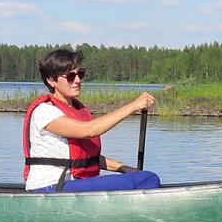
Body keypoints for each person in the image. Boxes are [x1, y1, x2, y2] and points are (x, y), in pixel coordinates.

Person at [22, 48, 159, 192]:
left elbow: (87, 158)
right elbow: (89, 131)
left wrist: (123, 168)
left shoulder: (77, 110)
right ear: (51, 80)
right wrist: (134, 106)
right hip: (49, 187)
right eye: (70, 76)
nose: (77, 80)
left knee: (140, 176)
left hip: (70, 185)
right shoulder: (45, 111)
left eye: (80, 74)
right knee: (148, 179)